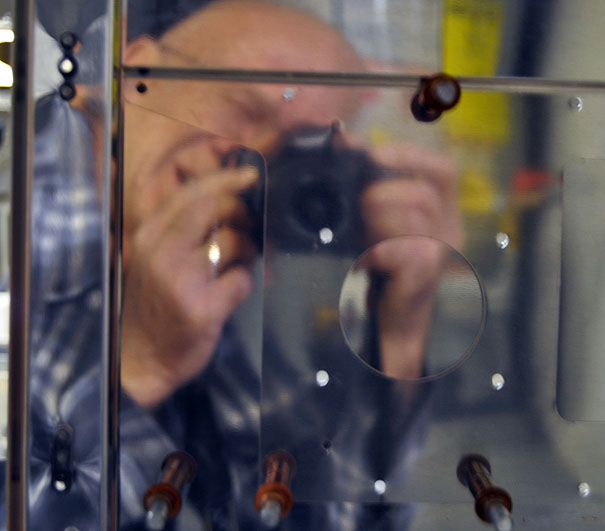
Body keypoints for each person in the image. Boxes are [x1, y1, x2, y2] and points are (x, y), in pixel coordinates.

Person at [22, 1, 462, 529]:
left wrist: (400, 336)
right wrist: (143, 362)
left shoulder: (230, 275)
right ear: (137, 72)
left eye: (297, 151)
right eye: (242, 109)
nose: (252, 158)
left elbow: (318, 518)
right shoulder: (20, 212)